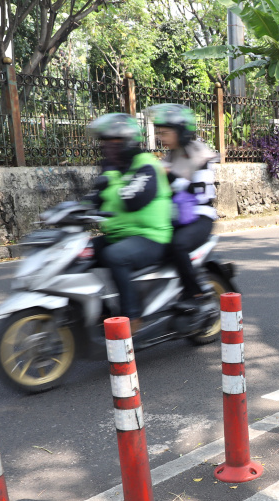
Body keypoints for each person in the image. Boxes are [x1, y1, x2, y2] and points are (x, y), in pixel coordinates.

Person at [85, 113, 173, 334]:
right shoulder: (112, 168)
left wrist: (110, 185)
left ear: (128, 141)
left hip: (151, 236)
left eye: (114, 141)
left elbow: (132, 199)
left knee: (115, 256)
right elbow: (93, 199)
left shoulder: (146, 165)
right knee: (79, 252)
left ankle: (132, 316)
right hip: (120, 235)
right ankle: (101, 313)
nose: (108, 147)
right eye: (105, 141)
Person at [149, 103, 219, 313]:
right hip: (175, 217)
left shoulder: (200, 154)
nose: (160, 137)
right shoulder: (171, 156)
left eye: (165, 133)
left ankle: (195, 293)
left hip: (200, 217)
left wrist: (170, 176)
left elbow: (200, 192)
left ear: (180, 131)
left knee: (178, 245)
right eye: (159, 132)